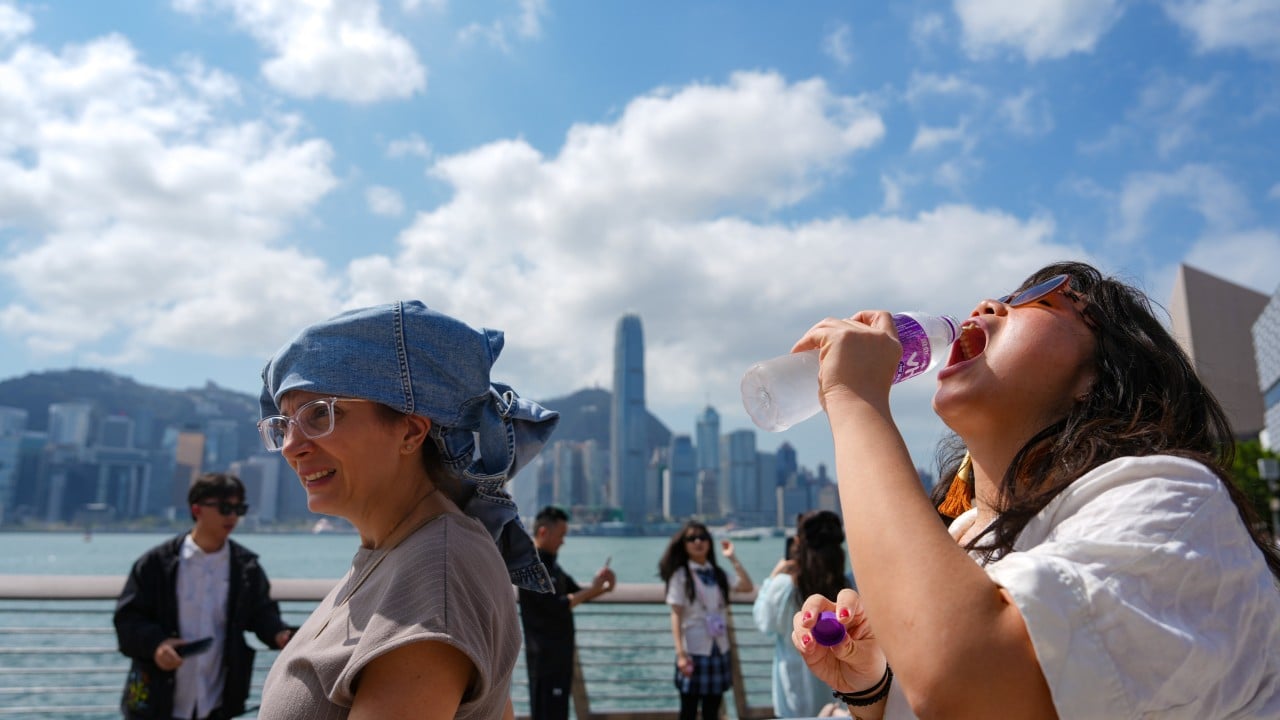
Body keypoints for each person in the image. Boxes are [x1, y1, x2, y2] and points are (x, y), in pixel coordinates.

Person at [786, 261, 1280, 718]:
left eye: (1040, 300)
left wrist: (855, 399)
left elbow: (970, 678)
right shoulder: (956, 540)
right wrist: (875, 687)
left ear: (1100, 376)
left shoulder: (1175, 502)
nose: (986, 305)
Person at [253, 300, 559, 720]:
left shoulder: (436, 572)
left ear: (411, 431)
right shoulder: (403, 554)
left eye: (321, 414)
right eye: (285, 424)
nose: (291, 446)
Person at [114, 472, 293, 720]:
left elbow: (261, 613)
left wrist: (279, 634)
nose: (232, 516)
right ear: (196, 509)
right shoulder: (155, 564)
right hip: (155, 702)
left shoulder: (246, 567)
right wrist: (157, 645)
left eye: (239, 508)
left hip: (216, 702)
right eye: (224, 507)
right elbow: (128, 619)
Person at [518, 505, 617, 720]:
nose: (563, 541)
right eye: (561, 535)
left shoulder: (553, 566)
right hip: (544, 657)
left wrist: (603, 586)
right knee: (546, 713)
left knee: (558, 712)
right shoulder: (531, 567)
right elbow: (558, 604)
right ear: (544, 532)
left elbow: (577, 593)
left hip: (559, 655)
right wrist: (594, 590)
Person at [752, 510, 851, 717]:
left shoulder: (785, 586)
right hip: (843, 694)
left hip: (795, 690)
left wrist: (773, 577)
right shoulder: (850, 587)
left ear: (798, 543)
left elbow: (764, 623)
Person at [658, 521, 754, 720]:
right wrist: (681, 654)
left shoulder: (717, 573)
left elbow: (747, 586)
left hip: (718, 647)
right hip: (693, 648)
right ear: (683, 545)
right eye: (691, 539)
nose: (698, 542)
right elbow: (676, 615)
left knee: (713, 709)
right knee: (688, 710)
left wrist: (732, 558)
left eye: (703, 537)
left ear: (709, 543)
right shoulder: (680, 575)